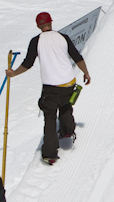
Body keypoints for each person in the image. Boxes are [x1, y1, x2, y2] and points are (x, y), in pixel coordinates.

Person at [7, 11, 91, 164]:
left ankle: (50, 154)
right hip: (69, 82)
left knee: (50, 118)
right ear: (51, 23)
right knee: (66, 106)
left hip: (51, 87)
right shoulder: (63, 37)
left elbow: (28, 63)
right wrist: (86, 73)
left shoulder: (36, 41)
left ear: (38, 25)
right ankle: (67, 131)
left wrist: (13, 74)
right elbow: (77, 57)